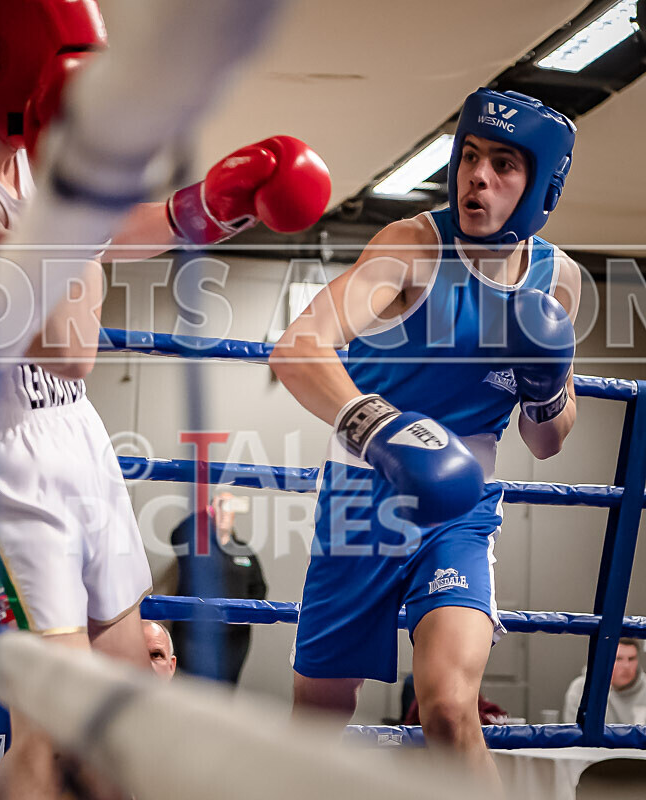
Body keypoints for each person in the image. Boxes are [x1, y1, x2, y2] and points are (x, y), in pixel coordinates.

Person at [0, 1, 329, 795]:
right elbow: (71, 345)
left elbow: (116, 228)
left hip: (72, 437)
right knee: (51, 741)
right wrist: (75, 161)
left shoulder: (11, 156)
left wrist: (215, 205)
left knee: (119, 732)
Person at [269, 87, 580, 783]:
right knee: (317, 716)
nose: (478, 176)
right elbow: (298, 347)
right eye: (470, 156)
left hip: (461, 511)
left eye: (504, 164)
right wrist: (382, 427)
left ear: (541, 187)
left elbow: (549, 440)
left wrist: (547, 385)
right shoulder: (413, 245)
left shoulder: (559, 280)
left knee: (446, 708)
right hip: (363, 496)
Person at [170, 492, 267, 684]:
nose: (224, 513)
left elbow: (259, 588)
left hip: (233, 640)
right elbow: (177, 535)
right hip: (194, 634)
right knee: (193, 691)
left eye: (229, 507)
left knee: (224, 692)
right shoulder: (196, 545)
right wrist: (206, 511)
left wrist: (243, 617)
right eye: (219, 507)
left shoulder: (244, 551)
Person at [563, 639, 646, 724]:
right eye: (618, 659)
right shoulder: (581, 689)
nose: (626, 666)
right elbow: (577, 734)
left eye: (631, 659)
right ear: (604, 660)